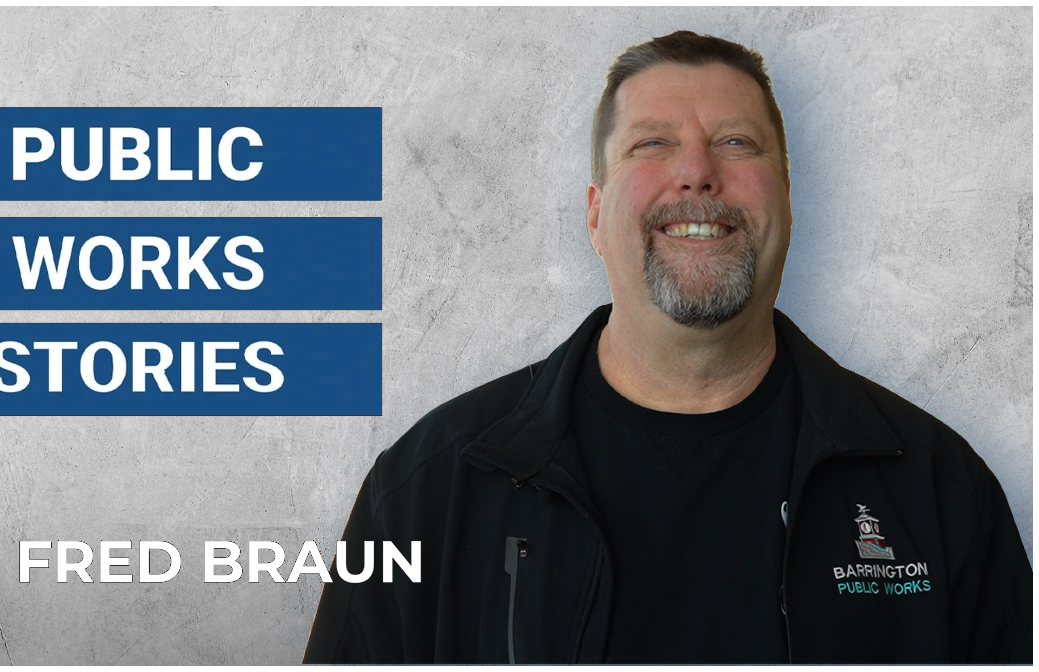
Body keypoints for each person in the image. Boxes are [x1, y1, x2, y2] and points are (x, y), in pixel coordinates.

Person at [302, 31, 1032, 664]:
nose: (697, 171)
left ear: (784, 198)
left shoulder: (939, 493)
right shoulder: (429, 492)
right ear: (595, 215)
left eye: (736, 143)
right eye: (653, 144)